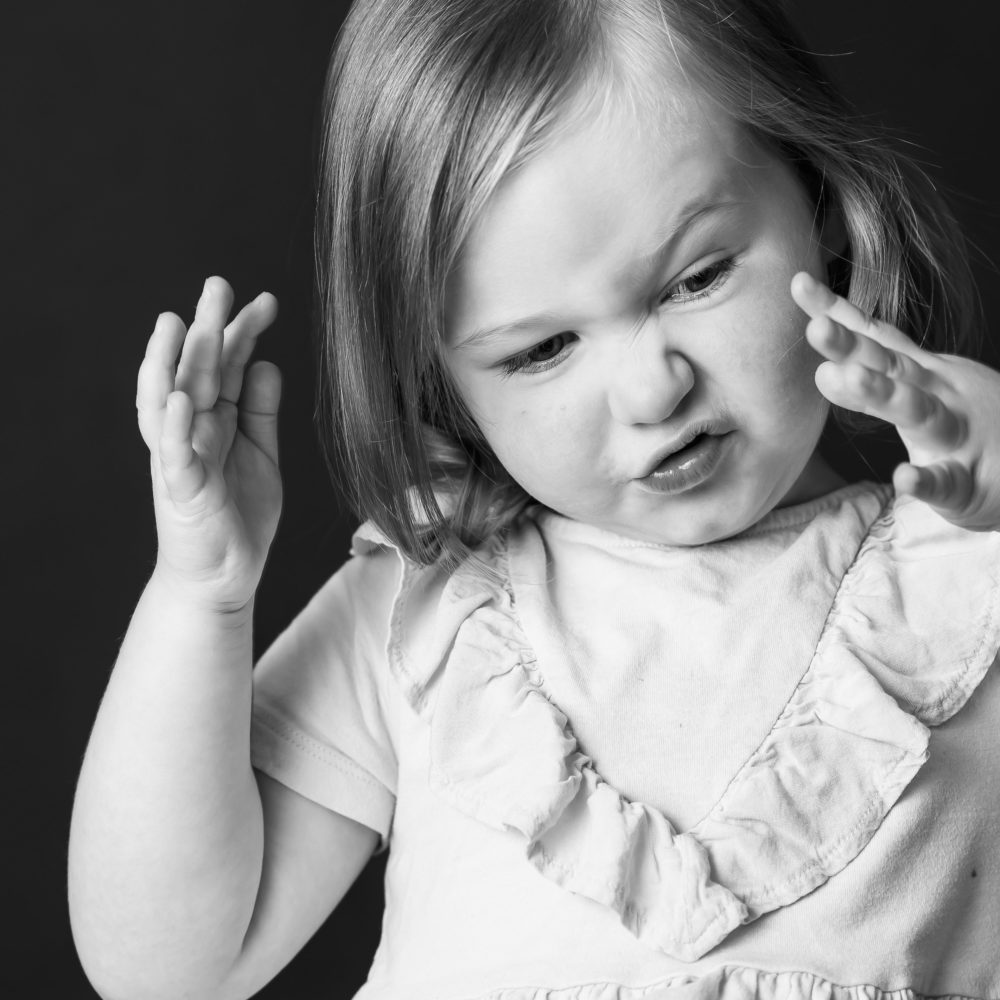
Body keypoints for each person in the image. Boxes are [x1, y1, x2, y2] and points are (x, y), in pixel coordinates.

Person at [68, 1, 1000, 998]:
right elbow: (166, 972)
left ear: (819, 205)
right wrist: (201, 594)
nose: (653, 390)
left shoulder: (959, 596)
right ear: (440, 379)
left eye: (700, 276)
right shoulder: (433, 623)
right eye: (543, 350)